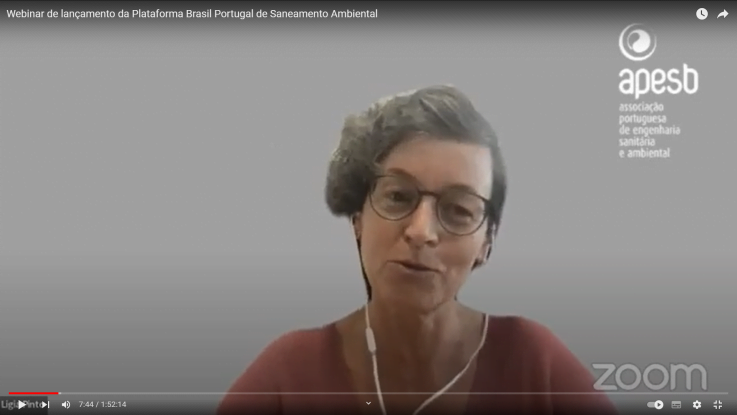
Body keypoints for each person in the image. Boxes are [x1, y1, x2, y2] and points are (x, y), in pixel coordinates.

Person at [217, 86, 617, 415]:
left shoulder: (534, 364)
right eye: (397, 196)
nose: (421, 231)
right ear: (358, 217)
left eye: (458, 210)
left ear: (487, 243)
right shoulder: (289, 375)